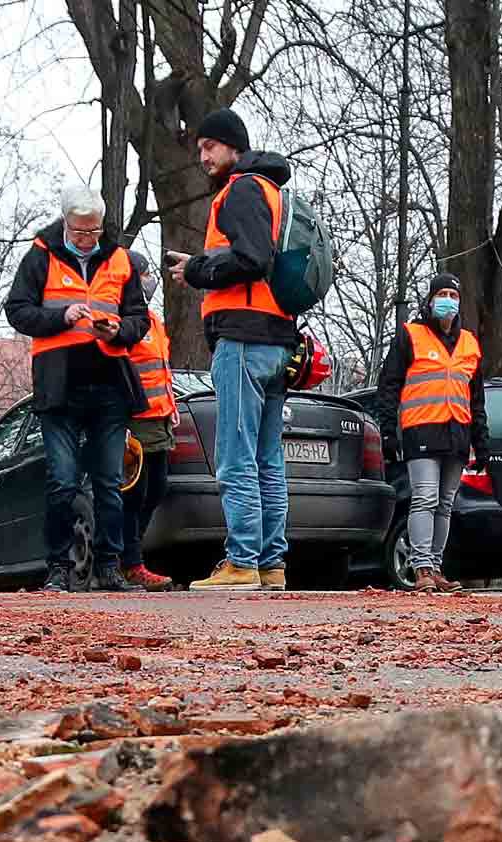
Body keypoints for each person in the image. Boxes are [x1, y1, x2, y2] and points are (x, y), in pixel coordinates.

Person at [166, 108, 296, 592]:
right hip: (277, 340)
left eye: (210, 147)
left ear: (234, 148)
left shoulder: (241, 189)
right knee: (267, 459)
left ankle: (242, 562)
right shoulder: (272, 191)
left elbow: (251, 258)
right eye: (200, 149)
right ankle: (270, 563)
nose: (203, 156)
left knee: (236, 456)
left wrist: (199, 271)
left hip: (243, 339)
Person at [5, 186, 150, 593]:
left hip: (109, 386)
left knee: (109, 481)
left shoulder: (119, 260)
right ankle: (58, 567)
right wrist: (62, 316)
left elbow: (139, 320)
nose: (88, 238)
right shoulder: (40, 256)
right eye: (81, 231)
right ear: (66, 223)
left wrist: (119, 328)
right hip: (59, 387)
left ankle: (109, 566)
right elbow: (17, 311)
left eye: (95, 231)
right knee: (63, 481)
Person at [374, 273, 487, 593]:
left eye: (454, 294)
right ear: (430, 299)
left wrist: (482, 440)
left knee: (445, 503)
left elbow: (475, 397)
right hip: (421, 429)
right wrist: (387, 431)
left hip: (456, 433)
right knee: (424, 497)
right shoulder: (411, 336)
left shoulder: (469, 342)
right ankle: (421, 565)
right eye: (443, 294)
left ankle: (435, 566)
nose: (448, 300)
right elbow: (389, 386)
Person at [118, 252, 177, 591]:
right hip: (136, 422)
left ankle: (131, 557)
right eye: (146, 274)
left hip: (160, 419)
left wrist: (172, 408)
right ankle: (129, 562)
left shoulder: (153, 321)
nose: (151, 280)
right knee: (134, 495)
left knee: (155, 490)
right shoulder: (123, 321)